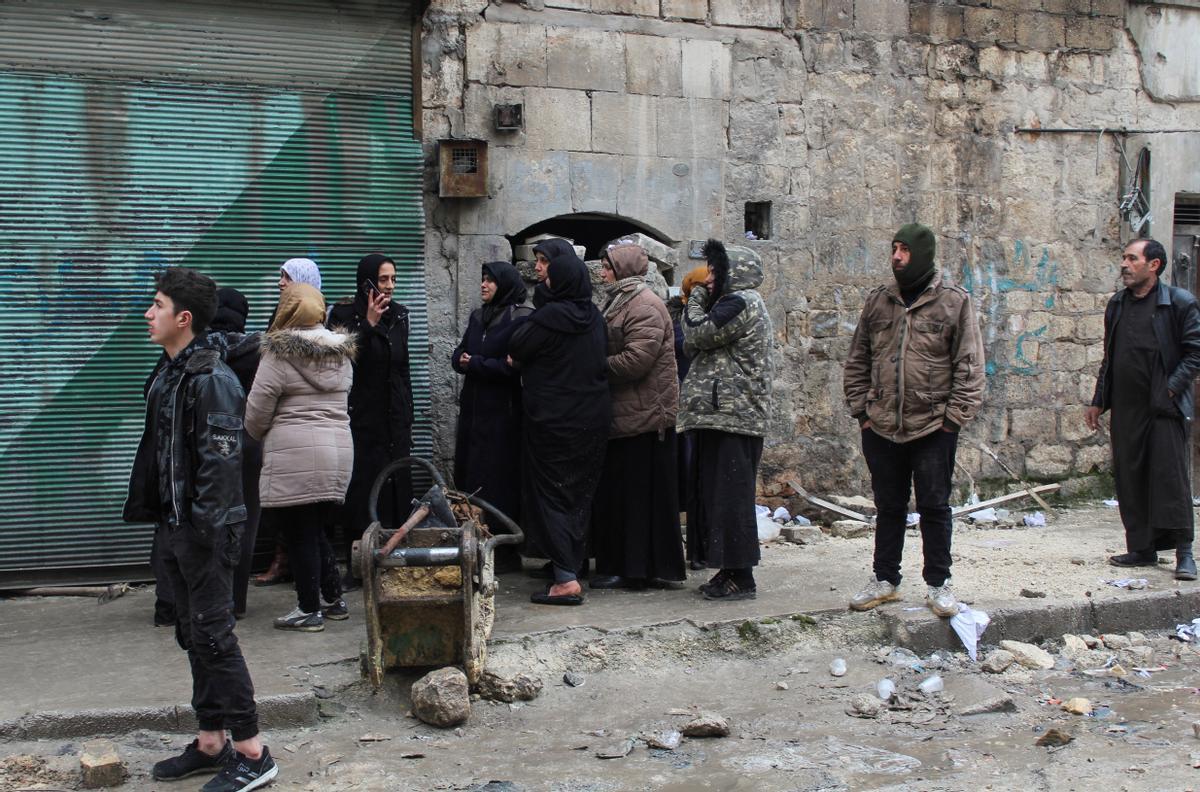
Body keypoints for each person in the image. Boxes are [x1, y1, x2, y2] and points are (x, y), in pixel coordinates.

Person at [124, 267, 277, 790]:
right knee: (193, 635)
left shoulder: (213, 379)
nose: (149, 313)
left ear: (182, 318)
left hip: (206, 532)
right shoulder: (170, 373)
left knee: (214, 637)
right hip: (176, 528)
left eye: (158, 305)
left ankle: (253, 752)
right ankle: (212, 740)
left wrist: (200, 534)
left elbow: (220, 466)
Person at [843, 223, 986, 618]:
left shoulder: (954, 302)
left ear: (921, 254)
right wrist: (862, 413)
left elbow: (969, 366)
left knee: (934, 507)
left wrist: (952, 421)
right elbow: (858, 360)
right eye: (893, 248)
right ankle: (884, 579)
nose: (896, 256)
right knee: (889, 506)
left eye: (904, 249)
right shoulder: (878, 302)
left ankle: (939, 584)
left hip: (932, 426)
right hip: (882, 425)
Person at [1086, 238, 1200, 580]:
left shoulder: (1179, 303)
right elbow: (1111, 356)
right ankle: (1142, 549)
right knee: (1130, 478)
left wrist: (1169, 387)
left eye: (1132, 258)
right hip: (1126, 407)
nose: (1124, 264)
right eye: (1123, 257)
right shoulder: (1117, 304)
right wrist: (1099, 400)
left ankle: (1185, 553)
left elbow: (1195, 352)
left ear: (1154, 265)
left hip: (1162, 406)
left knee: (1169, 479)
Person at [245, 284, 355, 631]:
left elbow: (256, 413)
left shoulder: (277, 354)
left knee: (298, 532)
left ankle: (308, 610)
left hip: (295, 453)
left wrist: (258, 433)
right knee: (315, 528)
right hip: (338, 452)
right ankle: (333, 600)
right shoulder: (342, 353)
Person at [508, 238, 611, 605]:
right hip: (593, 419)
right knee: (579, 495)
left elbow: (517, 345)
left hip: (554, 421)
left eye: (549, 275)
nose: (544, 280)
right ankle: (570, 563)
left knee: (551, 493)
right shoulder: (595, 319)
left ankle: (566, 578)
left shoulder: (551, 318)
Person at [679, 240, 774, 601]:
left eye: (715, 271)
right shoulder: (732, 304)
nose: (708, 278)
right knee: (717, 495)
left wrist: (698, 299)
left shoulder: (742, 302)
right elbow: (694, 343)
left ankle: (741, 576)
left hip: (735, 416)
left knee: (732, 496)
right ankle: (727, 570)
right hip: (719, 415)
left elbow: (698, 333)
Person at [590, 242, 686, 590]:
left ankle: (635, 569)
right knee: (621, 496)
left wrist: (594, 367)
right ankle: (622, 564)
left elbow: (636, 361)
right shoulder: (620, 300)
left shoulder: (645, 305)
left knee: (636, 499)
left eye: (606, 267)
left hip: (645, 419)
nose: (601, 274)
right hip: (628, 415)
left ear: (623, 270)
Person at [329, 253, 415, 588]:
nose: (390, 286)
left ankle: (392, 557)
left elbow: (402, 368)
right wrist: (368, 324)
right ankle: (358, 564)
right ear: (366, 281)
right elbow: (341, 362)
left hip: (394, 416)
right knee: (362, 487)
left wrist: (407, 409)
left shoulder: (399, 315)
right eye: (383, 280)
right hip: (361, 417)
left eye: (393, 279)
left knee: (396, 484)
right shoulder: (343, 316)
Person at [451, 260, 533, 570]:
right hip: (474, 412)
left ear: (506, 284)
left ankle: (504, 550)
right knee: (471, 479)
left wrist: (477, 364)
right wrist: (467, 360)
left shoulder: (520, 319)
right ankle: (475, 542)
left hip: (503, 415)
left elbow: (515, 367)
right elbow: (457, 355)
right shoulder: (477, 317)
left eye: (490, 281)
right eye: (482, 279)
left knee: (499, 480)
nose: (484, 285)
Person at [206, 288, 263, 619]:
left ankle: (210, 597)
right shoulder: (257, 351)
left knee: (209, 520)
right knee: (246, 522)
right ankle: (236, 601)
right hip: (249, 443)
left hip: (209, 445)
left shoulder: (198, 352)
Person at [672, 265, 709, 571]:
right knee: (689, 479)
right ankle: (694, 550)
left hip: (700, 411)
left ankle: (700, 550)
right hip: (685, 410)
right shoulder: (684, 321)